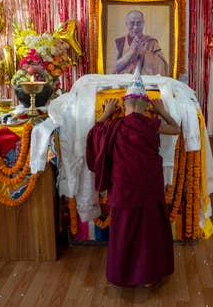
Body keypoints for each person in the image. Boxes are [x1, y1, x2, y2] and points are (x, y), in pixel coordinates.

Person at [86, 68, 180, 287]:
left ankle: (124, 275)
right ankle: (148, 277)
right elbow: (176, 129)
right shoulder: (153, 124)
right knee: (150, 233)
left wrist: (107, 112)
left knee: (125, 233)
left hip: (123, 191)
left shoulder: (113, 126)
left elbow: (93, 134)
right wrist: (163, 110)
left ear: (123, 104)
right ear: (147, 106)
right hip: (149, 189)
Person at [113, 10, 168, 75]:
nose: (135, 27)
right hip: (124, 81)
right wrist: (130, 53)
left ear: (143, 24)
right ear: (126, 24)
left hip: (146, 81)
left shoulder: (151, 42)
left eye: (138, 23)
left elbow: (162, 66)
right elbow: (114, 68)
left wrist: (144, 52)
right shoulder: (119, 42)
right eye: (132, 23)